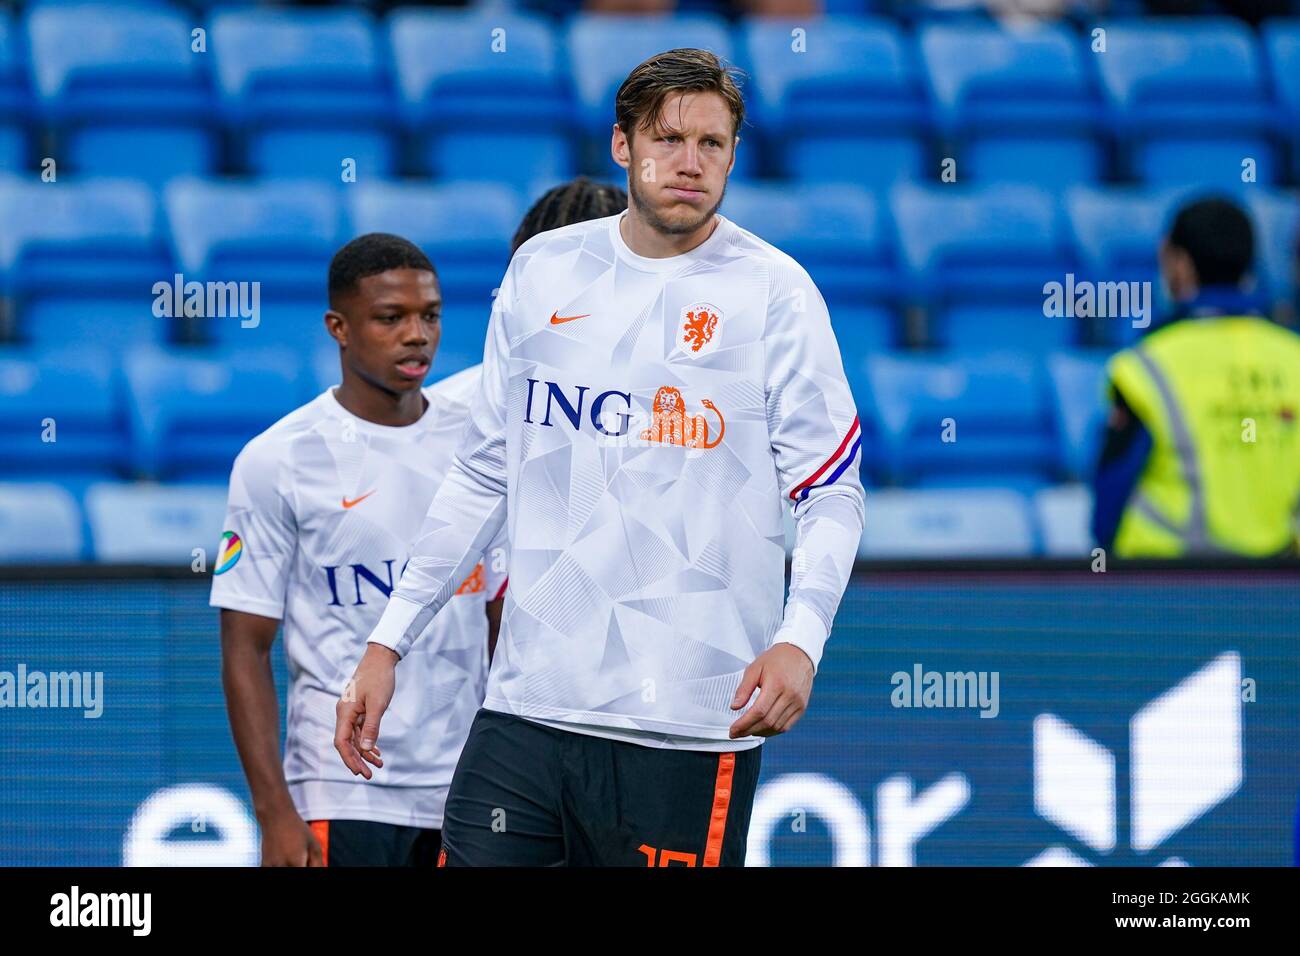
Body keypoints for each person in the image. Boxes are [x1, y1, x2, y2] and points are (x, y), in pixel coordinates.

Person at [335, 48, 866, 866]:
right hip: (527, 712)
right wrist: (388, 642)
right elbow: (483, 474)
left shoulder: (776, 293)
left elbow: (830, 492)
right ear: (622, 146)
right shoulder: (545, 268)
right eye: (669, 138)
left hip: (690, 724)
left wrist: (802, 638)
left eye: (713, 145)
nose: (690, 164)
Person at [213, 233, 507, 866]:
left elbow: (498, 617)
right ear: (338, 327)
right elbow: (244, 648)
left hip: (467, 791)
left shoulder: (482, 445)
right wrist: (274, 813)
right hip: (341, 793)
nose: (416, 335)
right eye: (389, 318)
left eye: (429, 315)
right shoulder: (276, 461)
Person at [1092, 196, 1300, 558]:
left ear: (1181, 264)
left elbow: (1111, 494)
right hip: (1275, 589)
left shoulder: (1145, 365)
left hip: (1164, 588)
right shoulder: (1292, 356)